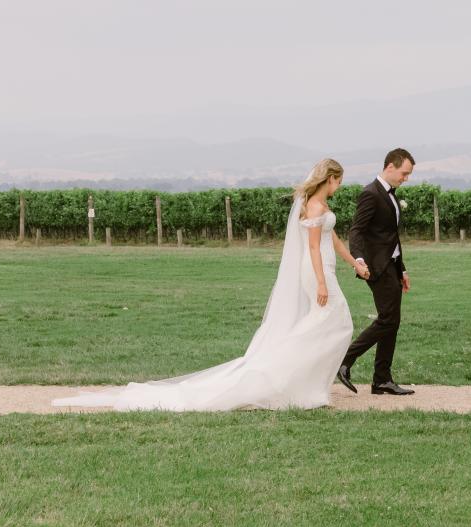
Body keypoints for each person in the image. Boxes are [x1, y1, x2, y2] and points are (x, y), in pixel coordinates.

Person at [53, 158, 368, 411]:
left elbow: (334, 240)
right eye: (338, 181)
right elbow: (313, 247)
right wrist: (323, 282)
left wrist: (354, 262)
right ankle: (290, 376)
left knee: (331, 323)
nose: (339, 186)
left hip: (323, 269)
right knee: (335, 321)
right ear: (330, 179)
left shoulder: (320, 208)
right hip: (316, 272)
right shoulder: (315, 206)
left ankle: (306, 381)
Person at [339, 148, 416, 395]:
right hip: (375, 267)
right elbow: (356, 230)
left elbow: (392, 236)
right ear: (390, 167)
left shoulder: (392, 196)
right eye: (404, 173)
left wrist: (402, 268)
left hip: (391, 266)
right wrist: (358, 260)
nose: (406, 178)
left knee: (392, 322)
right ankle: (344, 361)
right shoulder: (370, 193)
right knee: (387, 320)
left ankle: (382, 379)